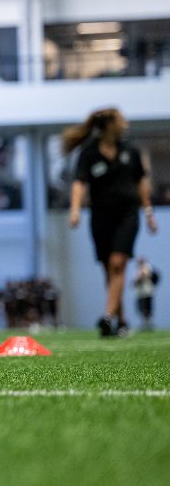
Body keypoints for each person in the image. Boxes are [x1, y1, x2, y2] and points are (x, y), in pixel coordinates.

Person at [64, 107, 158, 337]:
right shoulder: (89, 153)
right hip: (100, 216)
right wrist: (75, 210)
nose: (125, 123)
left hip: (127, 215)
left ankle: (107, 317)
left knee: (118, 262)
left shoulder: (130, 151)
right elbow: (79, 182)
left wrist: (148, 212)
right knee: (109, 270)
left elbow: (141, 182)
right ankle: (122, 321)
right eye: (121, 119)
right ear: (109, 125)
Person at [133, 257, 159, 331]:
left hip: (146, 292)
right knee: (142, 309)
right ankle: (145, 324)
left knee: (146, 309)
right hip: (141, 292)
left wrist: (138, 279)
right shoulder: (138, 269)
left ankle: (148, 324)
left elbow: (143, 277)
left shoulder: (146, 267)